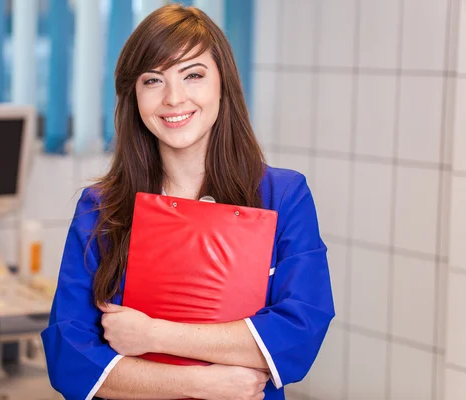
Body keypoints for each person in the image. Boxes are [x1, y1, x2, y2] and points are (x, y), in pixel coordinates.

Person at [41, 4, 334, 400]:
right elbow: (69, 358)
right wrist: (203, 383)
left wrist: (151, 335)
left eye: (193, 75)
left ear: (222, 83)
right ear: (134, 96)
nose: (174, 98)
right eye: (152, 81)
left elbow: (300, 331)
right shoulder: (101, 209)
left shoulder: (281, 197)